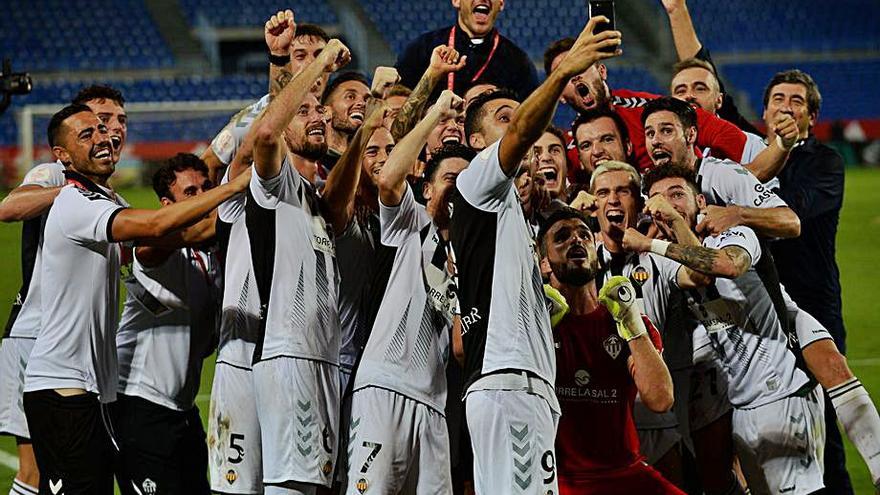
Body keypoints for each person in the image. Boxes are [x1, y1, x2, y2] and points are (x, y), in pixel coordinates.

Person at [22, 103, 250, 495]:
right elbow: (160, 224)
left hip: (92, 389)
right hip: (62, 386)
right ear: (61, 156)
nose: (103, 137)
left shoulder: (107, 201)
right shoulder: (75, 203)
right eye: (87, 134)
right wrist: (231, 188)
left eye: (103, 129)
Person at [449, 16, 620, 493]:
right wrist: (566, 72)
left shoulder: (511, 214)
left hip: (522, 387)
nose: (517, 121)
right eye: (503, 117)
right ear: (477, 142)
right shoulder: (474, 185)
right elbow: (526, 128)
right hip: (508, 383)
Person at [628, 164, 826, 495]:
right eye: (658, 199)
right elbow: (695, 270)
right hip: (742, 410)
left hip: (782, 395)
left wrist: (659, 238)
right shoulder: (675, 265)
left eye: (677, 195)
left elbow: (726, 266)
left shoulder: (734, 235)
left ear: (699, 201)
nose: (667, 205)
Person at [0, 84, 127, 495]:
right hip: (37, 337)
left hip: (78, 352)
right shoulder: (54, 173)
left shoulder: (108, 193)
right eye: (99, 122)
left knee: (73, 476)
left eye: (118, 121)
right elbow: (8, 208)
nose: (111, 131)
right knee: (37, 473)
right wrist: (70, 192)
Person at [345, 91, 468, 493]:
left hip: (434, 403)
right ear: (427, 190)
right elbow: (389, 178)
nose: (458, 189)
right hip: (385, 389)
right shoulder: (411, 223)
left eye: (467, 183)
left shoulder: (469, 259)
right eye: (450, 179)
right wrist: (434, 114)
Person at [764, 69, 880, 491]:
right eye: (778, 99)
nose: (786, 107)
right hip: (761, 310)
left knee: (824, 428)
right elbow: (708, 80)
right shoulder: (751, 154)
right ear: (764, 112)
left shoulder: (826, 162)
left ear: (811, 117)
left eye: (796, 100)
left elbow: (790, 216)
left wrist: (739, 210)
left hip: (814, 306)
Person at [245, 37, 351, 494]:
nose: (317, 117)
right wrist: (320, 62)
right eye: (303, 111)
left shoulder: (315, 197)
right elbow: (267, 133)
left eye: (319, 110)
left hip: (321, 358)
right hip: (288, 355)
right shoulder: (274, 184)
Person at [539, 207, 683, 494]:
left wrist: (632, 324)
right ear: (544, 263)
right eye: (562, 237)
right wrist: (540, 330)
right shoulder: (535, 323)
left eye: (583, 235)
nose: (576, 241)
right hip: (560, 480)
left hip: (625, 471)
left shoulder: (627, 320)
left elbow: (661, 399)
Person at [114, 154, 221, 495]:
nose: (202, 196)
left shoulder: (209, 254)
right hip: (139, 404)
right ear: (166, 204)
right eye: (191, 192)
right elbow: (156, 244)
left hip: (182, 409)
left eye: (206, 188)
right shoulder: (157, 244)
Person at [543, 37, 790, 175]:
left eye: (580, 67)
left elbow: (733, 141)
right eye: (563, 75)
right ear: (559, 94)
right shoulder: (569, 150)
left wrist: (739, 189)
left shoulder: (649, 108)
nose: (575, 76)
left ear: (602, 70)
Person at [641, 96, 800, 240]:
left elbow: (791, 222)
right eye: (650, 133)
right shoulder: (647, 188)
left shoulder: (722, 174)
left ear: (690, 135)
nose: (655, 141)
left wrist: (739, 215)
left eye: (666, 131)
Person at [395, 0, 537, 100]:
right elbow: (398, 100)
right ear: (456, 1)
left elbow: (530, 120)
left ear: (501, 3)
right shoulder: (423, 48)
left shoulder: (518, 61)